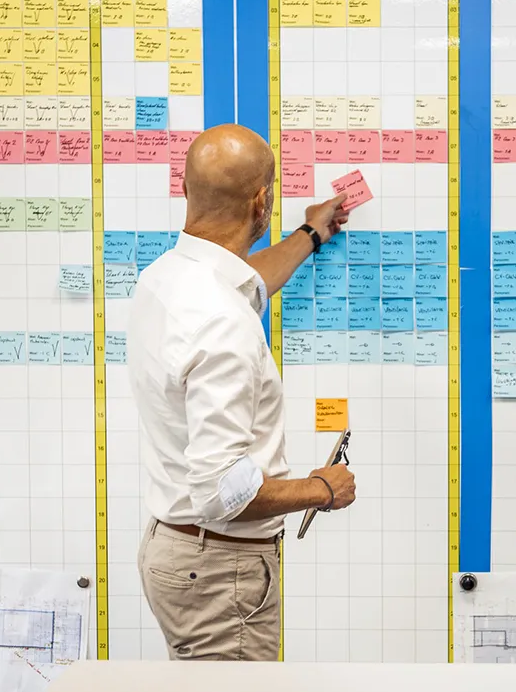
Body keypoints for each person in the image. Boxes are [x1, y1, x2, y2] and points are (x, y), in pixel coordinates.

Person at [128, 124, 357, 661]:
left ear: (186, 190)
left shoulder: (165, 278)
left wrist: (310, 235)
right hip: (219, 574)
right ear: (262, 202)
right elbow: (220, 490)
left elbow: (243, 281)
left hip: (180, 551)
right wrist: (320, 489)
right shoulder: (223, 325)